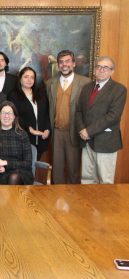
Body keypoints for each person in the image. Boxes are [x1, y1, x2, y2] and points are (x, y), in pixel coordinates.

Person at [76, 56, 127, 184]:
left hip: (106, 142)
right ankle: (87, 205)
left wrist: (89, 131)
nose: (102, 70)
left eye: (106, 68)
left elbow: (113, 116)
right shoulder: (87, 88)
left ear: (112, 71)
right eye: (99, 67)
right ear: (95, 70)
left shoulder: (119, 89)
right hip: (87, 142)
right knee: (87, 180)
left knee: (106, 182)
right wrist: (83, 130)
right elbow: (79, 111)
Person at [46, 50, 91, 184]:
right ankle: (57, 200)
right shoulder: (50, 83)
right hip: (57, 132)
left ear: (74, 63)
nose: (64, 65)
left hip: (75, 132)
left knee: (74, 170)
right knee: (57, 170)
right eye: (61, 62)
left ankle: (73, 201)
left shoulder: (85, 83)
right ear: (58, 64)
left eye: (67, 61)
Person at [0, 101, 34, 185]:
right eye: (3, 113)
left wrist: (5, 163)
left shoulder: (22, 134)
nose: (7, 116)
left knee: (14, 177)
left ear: (14, 116)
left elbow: (28, 163)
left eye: (10, 113)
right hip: (0, 173)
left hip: (22, 173)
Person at [8, 67, 51, 160]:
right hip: (23, 138)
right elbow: (15, 116)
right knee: (23, 170)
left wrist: (47, 129)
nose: (29, 80)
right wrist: (31, 129)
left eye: (32, 77)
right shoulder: (13, 96)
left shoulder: (41, 94)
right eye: (26, 77)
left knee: (33, 169)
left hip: (40, 140)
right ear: (20, 79)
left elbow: (47, 113)